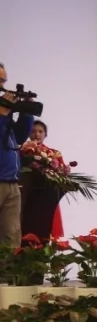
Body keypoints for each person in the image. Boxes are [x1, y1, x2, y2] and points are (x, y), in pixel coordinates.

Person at [0, 62, 34, 247]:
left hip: (11, 183)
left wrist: (26, 114)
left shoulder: (4, 111)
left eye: (4, 82)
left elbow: (19, 137)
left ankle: (8, 268)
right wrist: (1, 115)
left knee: (11, 236)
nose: (3, 87)